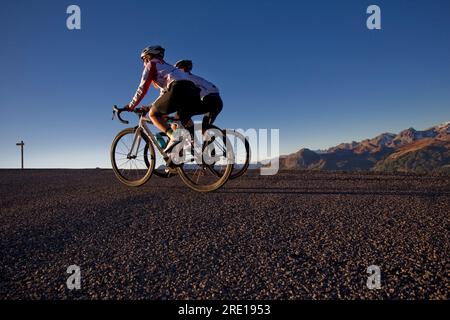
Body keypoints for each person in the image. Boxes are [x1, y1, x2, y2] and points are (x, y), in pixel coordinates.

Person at [125, 46, 201, 151]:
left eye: (143, 59)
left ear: (148, 57)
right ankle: (194, 145)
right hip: (194, 91)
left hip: (178, 88)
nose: (143, 63)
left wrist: (131, 105)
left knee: (153, 114)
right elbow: (164, 96)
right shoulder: (169, 67)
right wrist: (149, 106)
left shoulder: (151, 64)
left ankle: (174, 137)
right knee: (178, 119)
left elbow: (142, 88)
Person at [174, 60, 223, 130]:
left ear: (182, 68)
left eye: (177, 69)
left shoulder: (185, 78)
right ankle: (202, 138)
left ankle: (185, 135)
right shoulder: (195, 78)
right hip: (217, 102)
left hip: (209, 100)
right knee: (205, 128)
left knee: (180, 115)